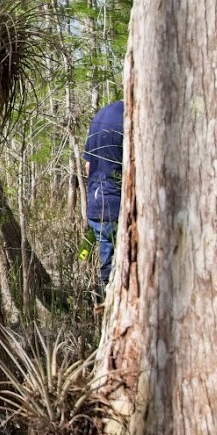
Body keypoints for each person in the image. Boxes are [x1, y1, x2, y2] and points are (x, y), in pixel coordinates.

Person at [83, 98, 124, 302]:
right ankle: (109, 305)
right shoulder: (130, 117)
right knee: (117, 263)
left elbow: (88, 166)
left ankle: (100, 302)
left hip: (95, 207)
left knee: (101, 257)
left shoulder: (99, 117)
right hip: (116, 209)